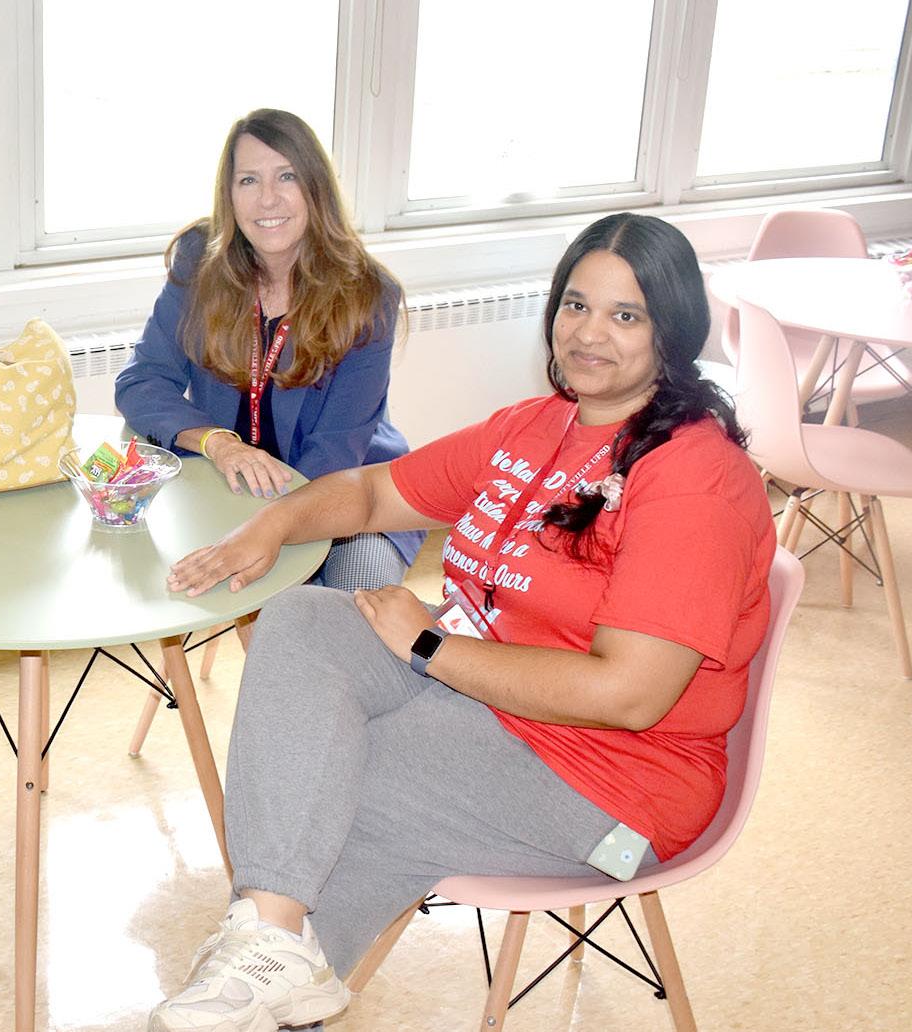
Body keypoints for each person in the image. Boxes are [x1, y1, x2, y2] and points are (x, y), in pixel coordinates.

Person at [148, 212, 776, 1032]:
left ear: (673, 330)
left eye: (626, 315)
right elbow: (372, 492)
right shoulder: (538, 425)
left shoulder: (695, 478)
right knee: (301, 620)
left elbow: (631, 694)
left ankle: (259, 979)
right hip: (490, 693)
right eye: (576, 305)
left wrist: (430, 645)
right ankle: (271, 954)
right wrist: (266, 528)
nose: (589, 334)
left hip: (609, 780)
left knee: (335, 786)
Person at [115, 108, 424, 592]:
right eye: (248, 180)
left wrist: (266, 529)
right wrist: (218, 443)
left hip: (347, 496)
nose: (267, 199)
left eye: (287, 176)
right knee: (154, 579)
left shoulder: (367, 294)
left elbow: (336, 450)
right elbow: (143, 380)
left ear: (316, 187)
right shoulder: (200, 260)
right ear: (229, 194)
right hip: (227, 485)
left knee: (358, 605)